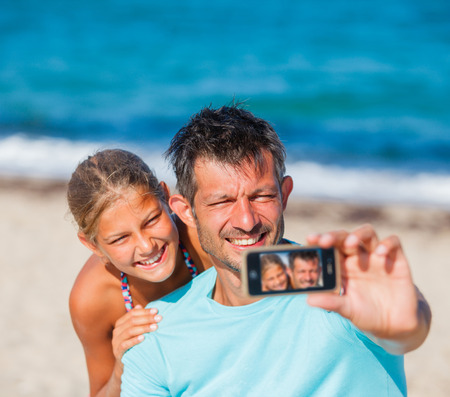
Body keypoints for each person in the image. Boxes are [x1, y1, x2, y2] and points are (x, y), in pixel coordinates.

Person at [120, 104, 432, 396]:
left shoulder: (338, 284)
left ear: (284, 195)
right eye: (222, 201)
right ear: (187, 212)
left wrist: (408, 324)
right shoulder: (158, 332)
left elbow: (403, 327)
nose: (246, 220)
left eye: (262, 196)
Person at [67, 149, 210, 397]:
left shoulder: (203, 242)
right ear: (93, 246)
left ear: (166, 198)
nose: (147, 246)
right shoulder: (92, 299)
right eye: (121, 238)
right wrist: (121, 366)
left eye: (152, 219)